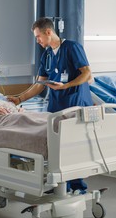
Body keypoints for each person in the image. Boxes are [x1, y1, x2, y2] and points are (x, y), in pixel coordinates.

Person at [8, 17, 93, 193]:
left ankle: (77, 185)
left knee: (73, 146)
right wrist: (19, 99)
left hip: (75, 103)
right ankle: (61, 184)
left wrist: (67, 85)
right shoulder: (47, 55)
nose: (37, 40)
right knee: (56, 147)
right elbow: (39, 85)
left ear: (48, 32)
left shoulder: (72, 47)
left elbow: (87, 74)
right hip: (56, 106)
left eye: (38, 36)